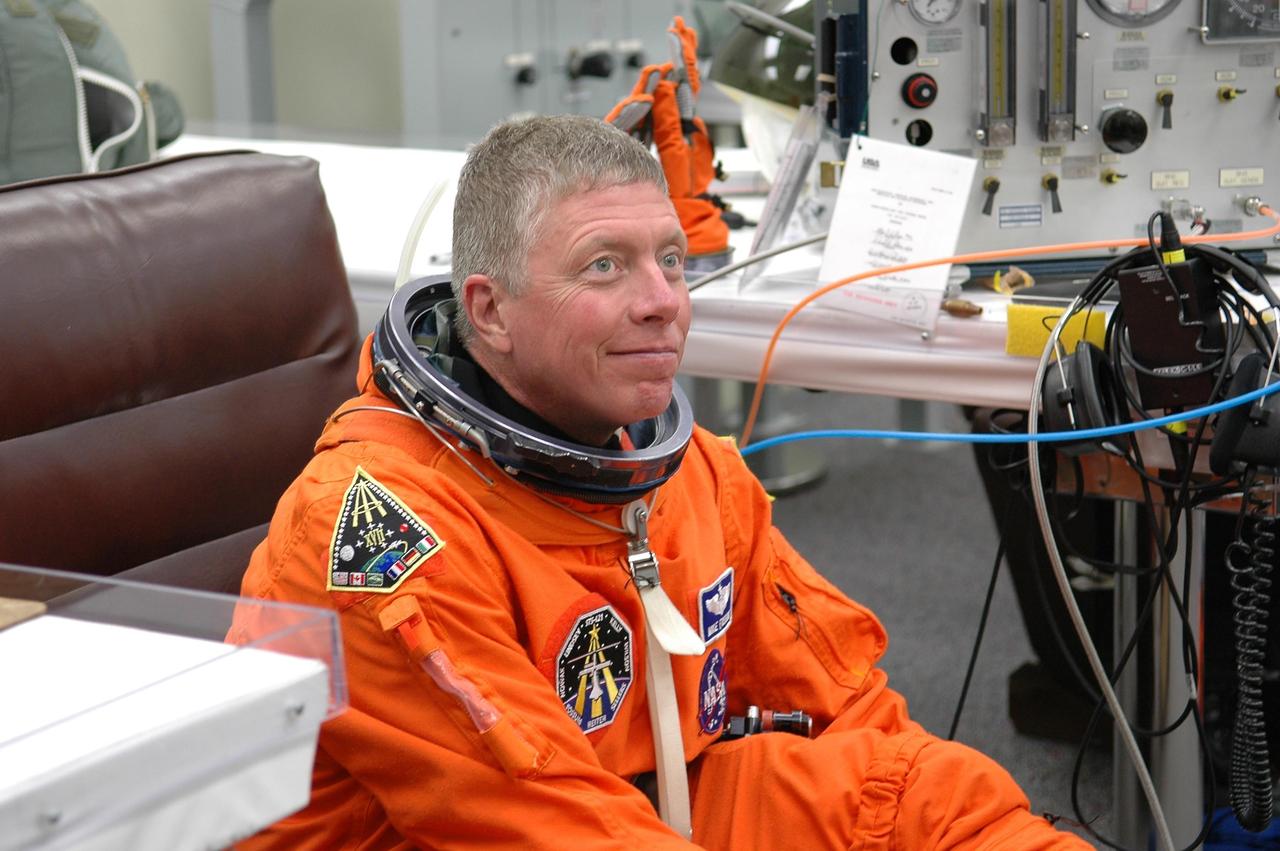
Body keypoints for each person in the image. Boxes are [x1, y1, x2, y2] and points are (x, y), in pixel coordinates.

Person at [230, 114, 1090, 849]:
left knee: (938, 800)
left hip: (650, 795)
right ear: (489, 311)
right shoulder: (378, 536)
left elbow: (851, 715)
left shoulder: (691, 476)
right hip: (481, 830)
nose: (663, 301)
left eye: (671, 260)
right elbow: (550, 822)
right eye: (604, 265)